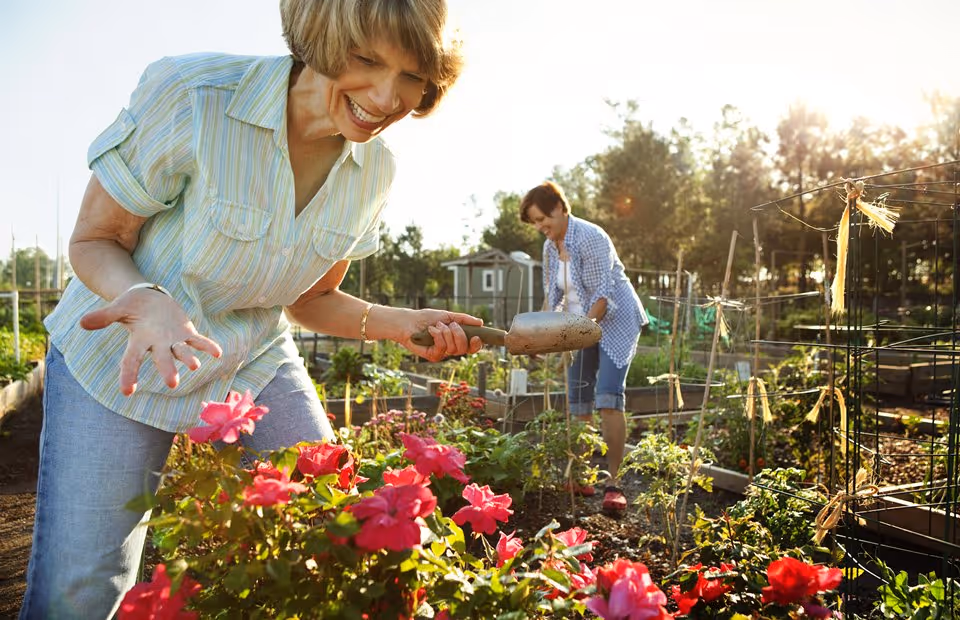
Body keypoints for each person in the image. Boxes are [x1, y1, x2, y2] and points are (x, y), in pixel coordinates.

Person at [20, 1, 481, 618]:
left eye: (410, 76)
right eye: (367, 60)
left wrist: (404, 325)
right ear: (322, 36)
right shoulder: (195, 96)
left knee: (340, 523)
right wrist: (151, 302)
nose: (385, 95)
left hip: (249, 360)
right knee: (83, 588)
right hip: (118, 359)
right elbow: (95, 239)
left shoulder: (374, 168)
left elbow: (310, 299)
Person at [520, 181, 649, 515]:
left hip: (614, 320)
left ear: (561, 208)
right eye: (534, 222)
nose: (540, 227)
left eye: (542, 218)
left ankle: (614, 483)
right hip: (580, 324)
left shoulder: (592, 237)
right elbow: (553, 296)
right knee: (578, 397)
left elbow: (602, 297)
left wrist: (578, 331)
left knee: (607, 396)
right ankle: (581, 475)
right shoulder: (550, 248)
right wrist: (539, 334)